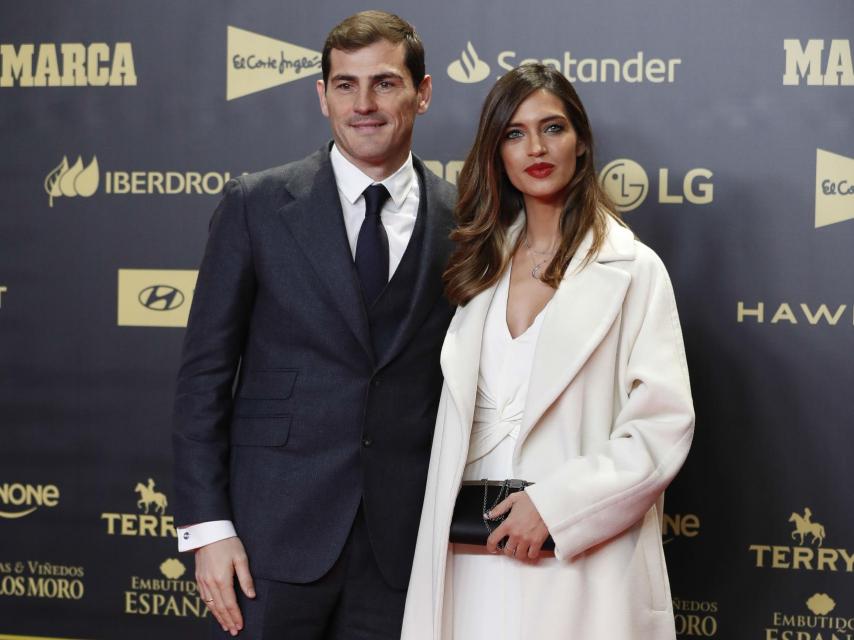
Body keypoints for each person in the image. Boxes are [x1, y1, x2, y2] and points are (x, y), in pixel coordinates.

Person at [171, 11, 456, 638]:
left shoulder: (465, 220)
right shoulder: (256, 204)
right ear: (323, 96)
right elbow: (204, 377)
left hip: (404, 547)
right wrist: (209, 528)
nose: (364, 105)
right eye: (346, 85)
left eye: (384, 83)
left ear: (423, 93)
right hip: (268, 542)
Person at [400, 64, 695, 640]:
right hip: (468, 558)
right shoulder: (477, 270)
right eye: (514, 133)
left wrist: (558, 506)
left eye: (552, 128)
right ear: (497, 153)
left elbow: (662, 427)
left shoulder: (634, 270)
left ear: (580, 142)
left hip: (579, 560)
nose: (535, 147)